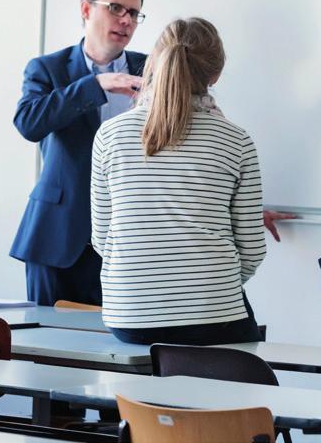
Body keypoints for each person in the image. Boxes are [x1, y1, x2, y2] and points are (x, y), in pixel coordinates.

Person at [90, 17, 266, 345]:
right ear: (215, 75)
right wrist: (212, 288)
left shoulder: (110, 135)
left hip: (130, 315)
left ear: (154, 62)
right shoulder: (236, 140)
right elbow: (253, 249)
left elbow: (102, 239)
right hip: (213, 317)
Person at [10, 0, 147, 305]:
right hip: (56, 237)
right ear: (86, 10)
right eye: (115, 8)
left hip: (126, 241)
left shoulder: (151, 70)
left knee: (114, 352)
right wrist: (95, 85)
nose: (126, 20)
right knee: (45, 349)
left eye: (133, 13)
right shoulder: (47, 69)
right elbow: (29, 123)